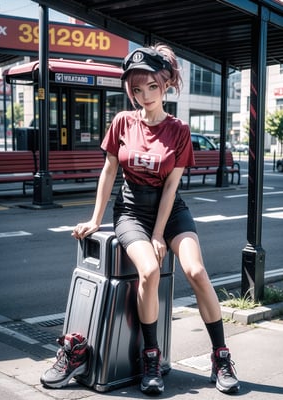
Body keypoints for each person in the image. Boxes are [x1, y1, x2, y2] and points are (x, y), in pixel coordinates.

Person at [72, 44, 240, 395]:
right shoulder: (121, 122)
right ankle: (152, 358)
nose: (143, 95)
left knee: (195, 270)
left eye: (151, 87)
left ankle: (221, 356)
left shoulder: (179, 130)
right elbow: (108, 172)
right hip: (131, 211)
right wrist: (95, 219)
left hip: (170, 211)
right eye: (136, 89)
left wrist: (160, 234)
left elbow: (171, 187)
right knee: (148, 271)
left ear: (166, 84)